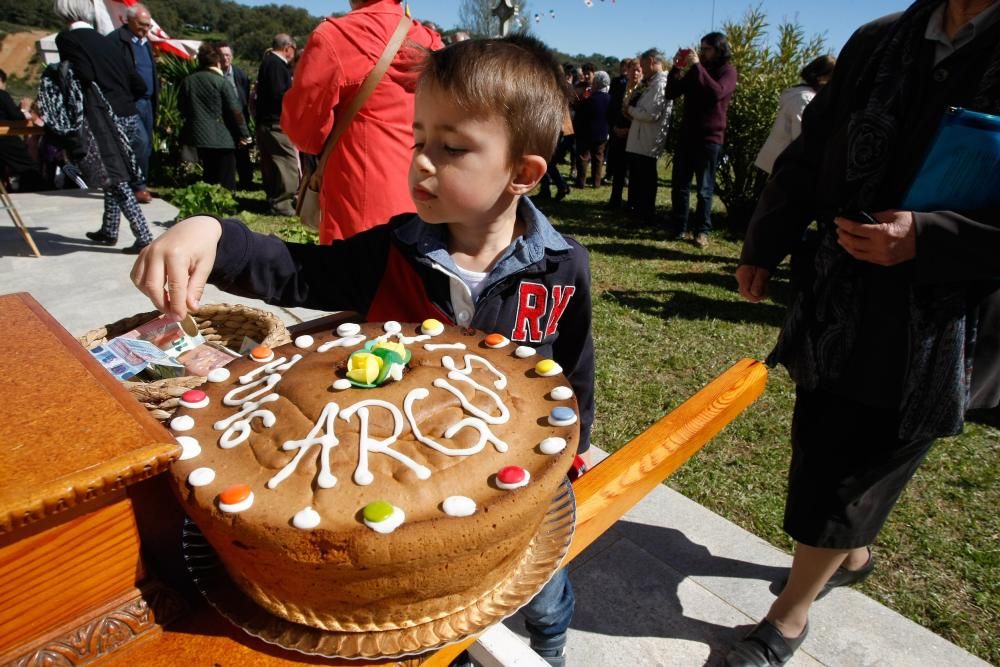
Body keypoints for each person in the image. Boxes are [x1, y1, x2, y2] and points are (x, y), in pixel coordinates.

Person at [131, 34, 594, 667]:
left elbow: (571, 365)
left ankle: (552, 648)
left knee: (540, 590)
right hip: (399, 497)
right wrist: (214, 232)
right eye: (418, 141)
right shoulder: (392, 249)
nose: (423, 164)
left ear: (523, 173)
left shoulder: (564, 268)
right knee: (428, 620)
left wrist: (578, 442)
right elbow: (297, 271)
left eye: (452, 148)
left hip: (513, 495)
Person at [729, 1, 1000, 665]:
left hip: (944, 325)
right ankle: (848, 554)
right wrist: (766, 238)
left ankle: (787, 619)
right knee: (820, 433)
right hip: (841, 296)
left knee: (858, 462)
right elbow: (813, 144)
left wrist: (931, 239)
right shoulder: (880, 40)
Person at [281, 0, 443, 242]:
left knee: (353, 274)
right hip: (423, 195)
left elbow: (304, 134)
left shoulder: (336, 36)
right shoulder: (431, 41)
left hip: (357, 200)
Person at [52, 0, 153, 253]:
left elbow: (82, 75)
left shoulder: (68, 40)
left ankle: (144, 236)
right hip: (129, 114)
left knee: (116, 179)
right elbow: (138, 84)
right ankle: (109, 230)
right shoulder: (107, 41)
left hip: (105, 116)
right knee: (114, 176)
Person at [666, 32, 738, 248]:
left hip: (709, 138)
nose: (702, 52)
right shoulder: (699, 71)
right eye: (702, 48)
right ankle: (678, 227)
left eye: (707, 49)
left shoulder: (728, 71)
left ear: (719, 49)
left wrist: (697, 66)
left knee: (705, 189)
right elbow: (672, 92)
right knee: (680, 185)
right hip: (687, 136)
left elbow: (716, 92)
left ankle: (701, 231)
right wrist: (677, 68)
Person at [178, 43, 250, 190]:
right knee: (226, 176)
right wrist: (244, 134)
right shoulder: (221, 82)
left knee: (209, 172)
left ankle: (208, 202)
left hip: (197, 134)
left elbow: (182, 107)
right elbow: (235, 111)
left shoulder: (188, 81)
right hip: (222, 136)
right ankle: (226, 202)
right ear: (217, 62)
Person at [754, 55, 836, 176]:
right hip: (781, 168)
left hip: (777, 164)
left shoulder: (801, 95)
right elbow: (802, 136)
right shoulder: (804, 99)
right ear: (821, 78)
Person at [108, 4, 157, 204]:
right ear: (127, 20)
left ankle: (137, 182)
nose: (145, 29)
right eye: (141, 25)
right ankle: (137, 187)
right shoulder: (116, 41)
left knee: (146, 146)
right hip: (128, 102)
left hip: (147, 102)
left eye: (148, 26)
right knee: (139, 143)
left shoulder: (146, 44)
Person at [624, 48, 670, 225]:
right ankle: (636, 210)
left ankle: (645, 213)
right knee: (637, 177)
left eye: (643, 65)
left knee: (645, 179)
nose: (642, 69)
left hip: (648, 140)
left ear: (652, 61)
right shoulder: (651, 83)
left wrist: (630, 109)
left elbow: (651, 114)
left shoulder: (661, 84)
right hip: (639, 138)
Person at [256, 33, 298, 216]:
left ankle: (275, 200)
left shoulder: (268, 62)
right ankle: (283, 204)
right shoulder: (276, 65)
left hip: (267, 122)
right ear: (287, 48)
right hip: (276, 123)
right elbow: (278, 94)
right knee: (286, 164)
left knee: (274, 164)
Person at [217, 42, 254, 189]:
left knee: (243, 151)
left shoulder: (240, 75)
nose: (225, 58)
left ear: (232, 57)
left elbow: (244, 95)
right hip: (221, 120)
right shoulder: (214, 74)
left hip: (239, 119)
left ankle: (246, 180)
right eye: (221, 55)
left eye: (227, 55)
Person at [607, 58, 642, 210]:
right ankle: (615, 200)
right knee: (618, 169)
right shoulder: (620, 87)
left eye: (638, 70)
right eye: (632, 69)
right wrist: (614, 127)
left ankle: (632, 203)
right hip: (617, 132)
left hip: (634, 134)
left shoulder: (643, 91)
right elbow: (612, 108)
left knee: (633, 171)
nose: (634, 73)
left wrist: (629, 130)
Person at [573, 70, 610, 189]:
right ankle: (596, 182)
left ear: (597, 84)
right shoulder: (609, 98)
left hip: (586, 132)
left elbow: (580, 113)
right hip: (602, 133)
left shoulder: (589, 99)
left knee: (583, 157)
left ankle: (581, 182)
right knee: (598, 158)